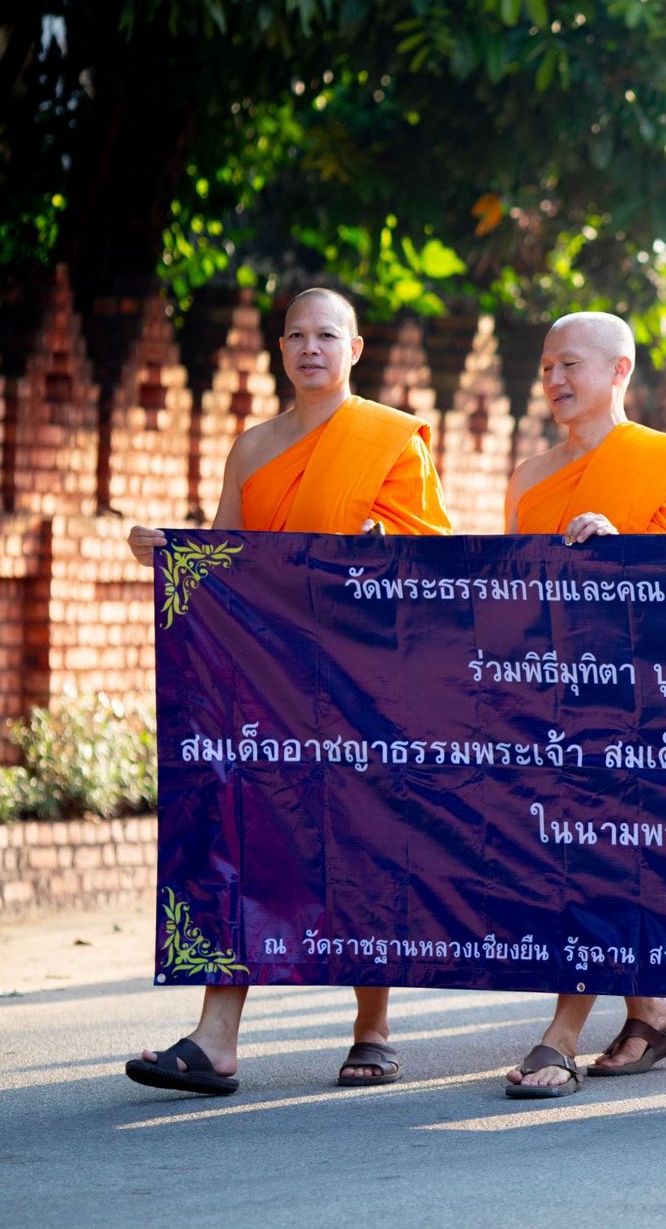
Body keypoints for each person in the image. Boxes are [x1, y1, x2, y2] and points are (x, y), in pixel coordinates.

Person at [124, 287, 453, 1097]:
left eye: (327, 335)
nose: (312, 348)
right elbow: (229, 557)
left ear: (355, 348)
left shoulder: (390, 440)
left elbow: (435, 557)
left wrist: (380, 549)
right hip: (265, 681)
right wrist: (170, 549)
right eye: (298, 336)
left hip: (360, 682)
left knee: (360, 845)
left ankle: (372, 1027)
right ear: (280, 349)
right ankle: (216, 1037)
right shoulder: (253, 446)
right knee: (243, 835)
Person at [501, 312, 666, 1098]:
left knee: (594, 857)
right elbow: (510, 597)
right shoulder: (530, 475)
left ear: (620, 371)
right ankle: (652, 1007)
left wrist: (625, 546)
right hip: (552, 701)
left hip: (641, 708)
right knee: (577, 863)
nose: (556, 380)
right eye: (548, 365)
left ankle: (561, 1036)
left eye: (573, 365)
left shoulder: (664, 464)